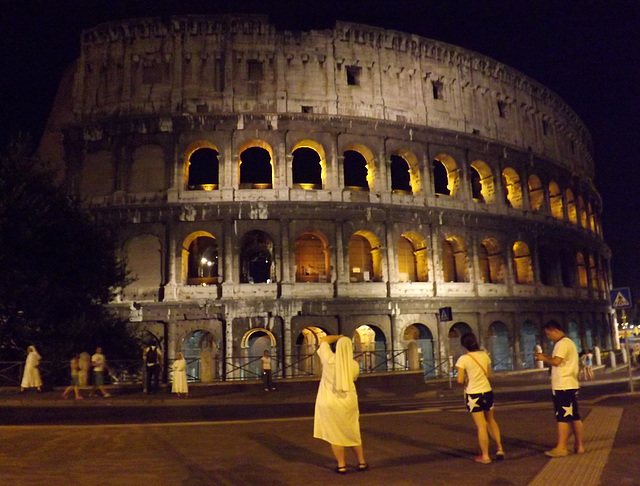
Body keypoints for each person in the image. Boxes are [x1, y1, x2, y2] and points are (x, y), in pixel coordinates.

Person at [313, 335, 368, 474]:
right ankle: (361, 462)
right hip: (348, 402)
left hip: (330, 402)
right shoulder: (354, 365)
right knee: (352, 431)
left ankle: (341, 465)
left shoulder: (329, 359)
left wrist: (339, 336)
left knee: (335, 434)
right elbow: (354, 378)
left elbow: (324, 340)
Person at [534, 322, 585, 457]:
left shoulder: (561, 344)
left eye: (549, 334)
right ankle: (579, 446)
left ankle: (561, 447)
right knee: (574, 416)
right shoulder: (570, 343)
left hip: (563, 385)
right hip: (571, 384)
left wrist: (543, 357)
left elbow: (556, 361)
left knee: (562, 417)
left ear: (555, 331)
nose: (549, 337)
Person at [455, 333, 504, 464]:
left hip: (473, 394)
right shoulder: (484, 355)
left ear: (463, 345)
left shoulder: (463, 359)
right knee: (491, 421)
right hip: (487, 392)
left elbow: (459, 380)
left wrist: (466, 379)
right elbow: (488, 374)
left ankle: (486, 456)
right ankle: (499, 448)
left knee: (481, 426)